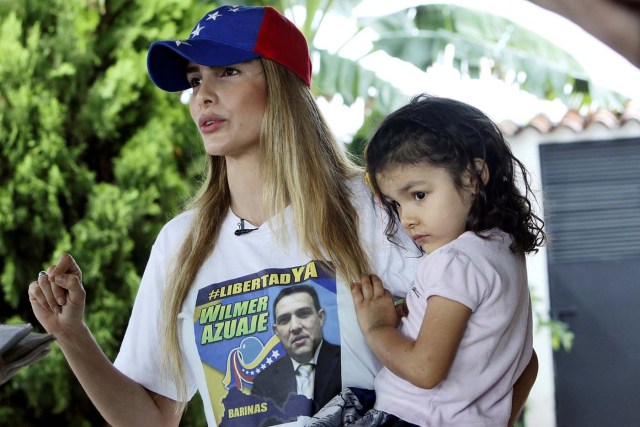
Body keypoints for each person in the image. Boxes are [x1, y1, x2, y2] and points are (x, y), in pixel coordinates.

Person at [27, 5, 417, 427]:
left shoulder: (368, 206)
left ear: (281, 84)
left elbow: (480, 320)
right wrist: (71, 335)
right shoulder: (182, 243)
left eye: (227, 72)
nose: (202, 96)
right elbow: (153, 420)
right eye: (195, 80)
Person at [309, 95, 546, 427]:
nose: (407, 218)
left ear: (473, 177)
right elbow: (528, 363)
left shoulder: (455, 261)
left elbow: (424, 370)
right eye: (395, 204)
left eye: (419, 195)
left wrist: (378, 327)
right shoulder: (504, 251)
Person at [251, 285, 341, 424]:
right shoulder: (263, 382)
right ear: (276, 331)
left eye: (303, 314)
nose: (295, 327)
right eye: (284, 320)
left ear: (321, 317)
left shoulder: (347, 360)